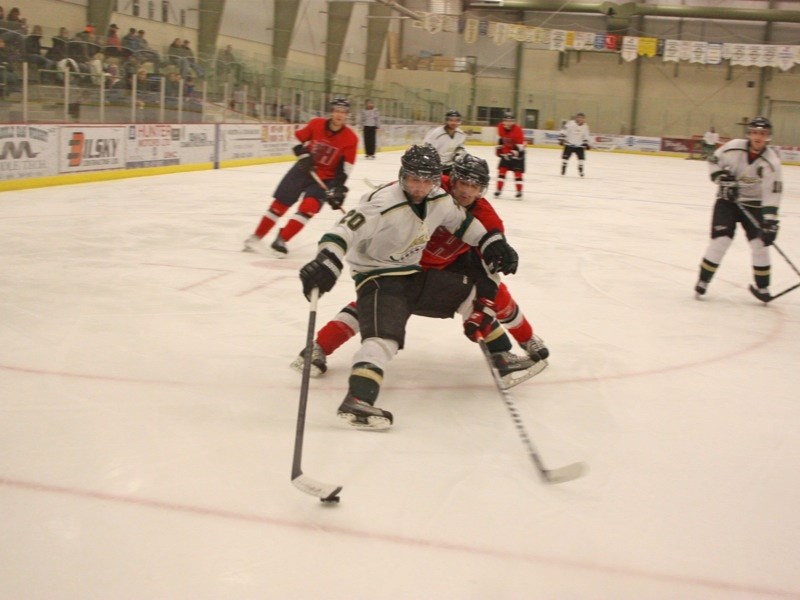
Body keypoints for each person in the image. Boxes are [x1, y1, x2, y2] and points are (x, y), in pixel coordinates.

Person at [297, 144, 520, 430]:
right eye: (414, 178)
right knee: (384, 337)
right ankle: (359, 399)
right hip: (378, 275)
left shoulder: (439, 198)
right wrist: (328, 258)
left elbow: (464, 224)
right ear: (403, 175)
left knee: (470, 293)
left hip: (412, 272)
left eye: (427, 179)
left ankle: (502, 355)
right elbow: (342, 230)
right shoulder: (381, 202)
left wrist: (493, 243)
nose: (420, 187)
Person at [243, 97, 358, 256]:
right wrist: (303, 154)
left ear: (347, 115)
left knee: (309, 207)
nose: (339, 115)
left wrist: (338, 187)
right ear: (331, 112)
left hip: (325, 179)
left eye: (343, 112)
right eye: (337, 111)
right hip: (302, 171)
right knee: (279, 205)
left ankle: (282, 239)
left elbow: (346, 168)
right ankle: (256, 237)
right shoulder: (316, 123)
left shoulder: (351, 138)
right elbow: (295, 138)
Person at [694, 116, 783, 303]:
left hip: (755, 204)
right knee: (721, 240)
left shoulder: (772, 162)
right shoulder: (734, 146)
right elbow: (713, 161)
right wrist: (722, 178)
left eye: (763, 133)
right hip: (728, 201)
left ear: (768, 137)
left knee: (760, 244)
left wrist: (770, 221)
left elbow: (771, 193)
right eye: (755, 132)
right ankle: (703, 280)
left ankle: (763, 286)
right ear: (749, 134)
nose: (758, 137)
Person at [423, 109, 467, 175]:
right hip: (436, 167)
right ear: (446, 120)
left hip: (452, 166)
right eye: (451, 120)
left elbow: (460, 147)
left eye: (456, 120)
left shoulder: (461, 134)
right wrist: (432, 163)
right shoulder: (436, 133)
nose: (454, 123)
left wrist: (458, 155)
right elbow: (427, 148)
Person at [494, 110, 526, 199]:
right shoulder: (500, 127)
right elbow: (501, 139)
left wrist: (512, 154)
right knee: (502, 171)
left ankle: (519, 191)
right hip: (506, 152)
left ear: (514, 122)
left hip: (518, 154)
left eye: (510, 121)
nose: (508, 123)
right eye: (506, 121)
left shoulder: (518, 130)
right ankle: (498, 189)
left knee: (518, 173)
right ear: (503, 121)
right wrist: (499, 148)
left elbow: (520, 147)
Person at [559, 112, 590, 176]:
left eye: (582, 118)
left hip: (579, 145)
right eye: (579, 117)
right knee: (565, 158)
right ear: (576, 118)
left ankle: (580, 169)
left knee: (581, 159)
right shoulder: (570, 123)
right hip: (569, 144)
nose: (580, 119)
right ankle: (563, 168)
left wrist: (586, 143)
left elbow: (586, 135)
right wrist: (561, 139)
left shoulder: (585, 126)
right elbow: (564, 130)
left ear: (584, 119)